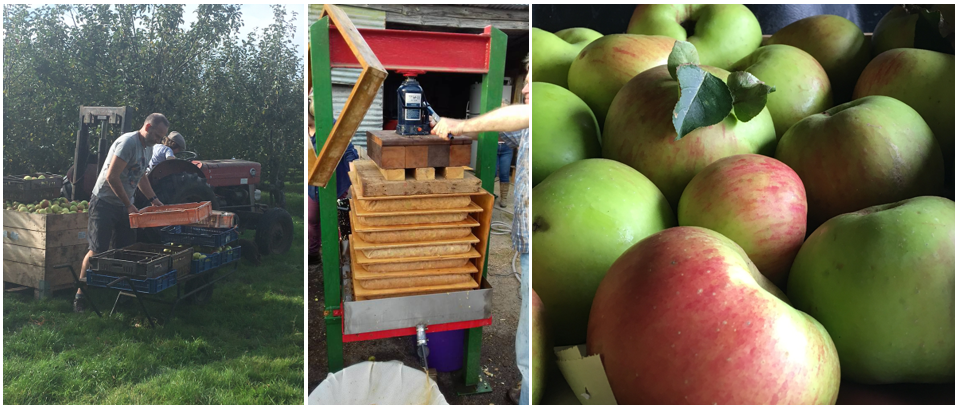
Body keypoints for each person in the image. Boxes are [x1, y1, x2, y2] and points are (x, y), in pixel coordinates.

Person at [431, 59, 530, 405]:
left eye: (534, 82)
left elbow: (525, 114)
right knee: (528, 333)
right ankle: (528, 386)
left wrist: (459, 120)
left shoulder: (536, 116)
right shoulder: (527, 126)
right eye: (527, 82)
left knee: (529, 340)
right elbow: (488, 129)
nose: (527, 89)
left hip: (538, 245)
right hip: (532, 242)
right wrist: (451, 128)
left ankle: (528, 391)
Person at [74, 113, 168, 312]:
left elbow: (141, 175)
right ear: (148, 127)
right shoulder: (128, 143)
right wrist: (128, 204)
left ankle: (122, 294)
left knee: (126, 251)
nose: (159, 141)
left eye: (162, 138)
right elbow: (112, 177)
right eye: (158, 136)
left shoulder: (148, 148)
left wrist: (154, 199)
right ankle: (80, 296)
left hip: (125, 205)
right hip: (105, 203)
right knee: (97, 250)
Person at [496, 101, 514, 208]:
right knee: (491, 172)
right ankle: (489, 195)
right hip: (494, 147)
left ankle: (504, 198)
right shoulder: (492, 120)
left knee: (504, 173)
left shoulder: (512, 121)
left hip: (506, 149)